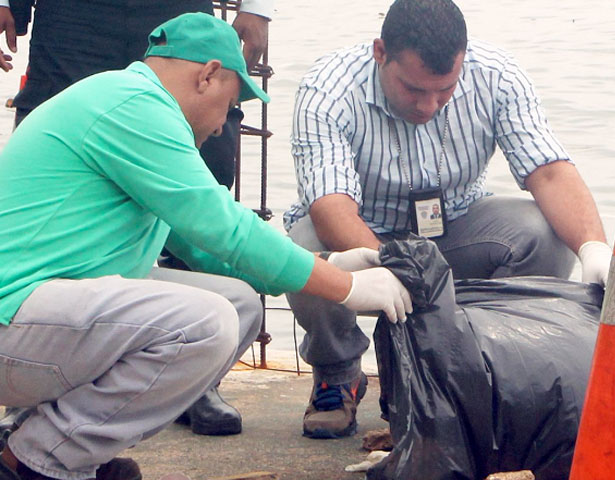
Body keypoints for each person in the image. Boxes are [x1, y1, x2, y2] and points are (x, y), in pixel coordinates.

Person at [0, 13, 411, 480]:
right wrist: (346, 289)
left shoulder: (127, 104)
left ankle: (53, 440)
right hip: (11, 317)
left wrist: (331, 263)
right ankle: (37, 460)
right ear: (208, 74)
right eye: (230, 104)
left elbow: (208, 250)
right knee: (205, 322)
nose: (222, 127)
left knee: (234, 304)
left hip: (34, 318)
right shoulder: (134, 104)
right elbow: (225, 228)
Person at [284, 0, 613, 439]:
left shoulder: (497, 74)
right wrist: (393, 268)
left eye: (445, 90)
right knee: (304, 247)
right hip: (362, 234)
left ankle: (494, 370)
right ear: (381, 52)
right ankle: (337, 373)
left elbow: (549, 172)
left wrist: (594, 247)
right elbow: (331, 207)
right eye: (413, 89)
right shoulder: (328, 90)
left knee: (540, 233)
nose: (429, 106)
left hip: (456, 225)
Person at [0, 0, 273, 436]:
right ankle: (36, 398)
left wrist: (258, 6)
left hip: (171, 7)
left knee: (204, 167)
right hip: (74, 15)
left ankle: (188, 370)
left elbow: (209, 224)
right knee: (67, 132)